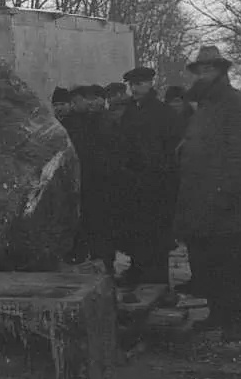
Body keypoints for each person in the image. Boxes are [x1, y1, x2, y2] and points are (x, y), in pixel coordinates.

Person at [174, 46, 241, 342]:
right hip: (199, 200)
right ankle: (217, 314)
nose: (202, 74)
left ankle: (238, 320)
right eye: (199, 70)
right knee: (205, 263)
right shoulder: (202, 105)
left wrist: (225, 194)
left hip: (228, 202)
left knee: (231, 264)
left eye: (209, 69)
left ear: (222, 71)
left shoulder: (237, 103)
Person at [115, 67, 181, 288]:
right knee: (136, 232)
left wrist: (160, 172)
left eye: (139, 84)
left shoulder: (164, 113)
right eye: (132, 84)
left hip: (157, 183)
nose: (134, 88)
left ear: (150, 83)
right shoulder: (130, 112)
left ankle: (157, 281)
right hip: (134, 182)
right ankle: (137, 272)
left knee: (157, 235)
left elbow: (172, 149)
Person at [63, 84, 123, 270]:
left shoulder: (107, 120)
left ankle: (105, 263)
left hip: (103, 181)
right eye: (88, 99)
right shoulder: (83, 121)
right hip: (87, 180)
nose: (91, 103)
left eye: (94, 98)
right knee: (88, 223)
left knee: (102, 225)